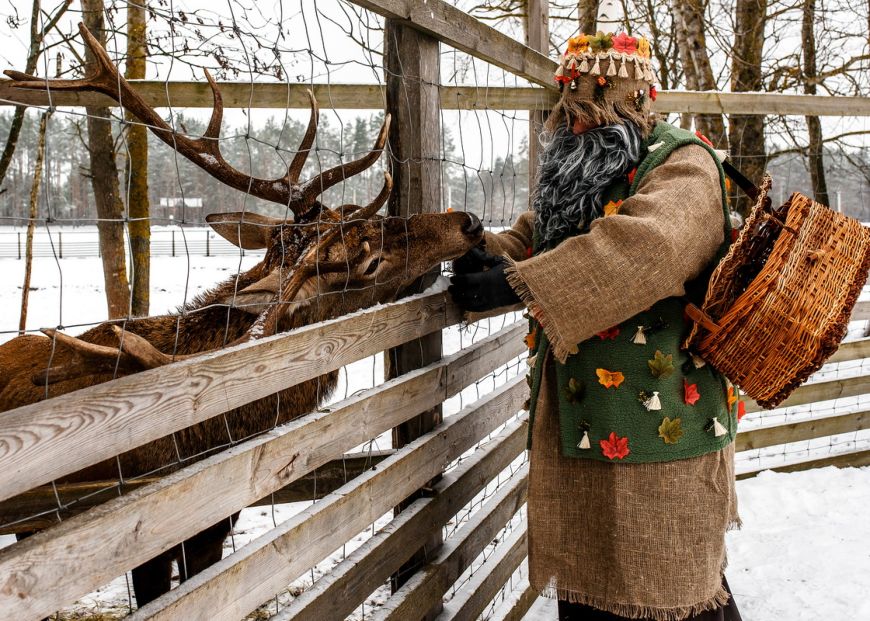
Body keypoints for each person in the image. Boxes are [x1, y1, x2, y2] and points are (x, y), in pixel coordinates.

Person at [448, 6, 744, 621]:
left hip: (665, 421)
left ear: (635, 102)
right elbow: (539, 239)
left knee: (674, 587)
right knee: (593, 586)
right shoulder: (579, 175)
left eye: (593, 108)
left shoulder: (685, 164)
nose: (578, 122)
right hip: (584, 421)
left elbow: (645, 248)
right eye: (569, 108)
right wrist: (484, 251)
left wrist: (519, 286)